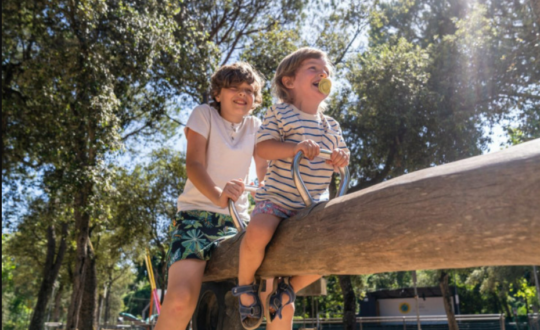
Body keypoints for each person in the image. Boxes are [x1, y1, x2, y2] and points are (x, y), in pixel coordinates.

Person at [233, 48, 350, 330]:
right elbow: (263, 147)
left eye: (327, 72)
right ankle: (245, 286)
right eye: (313, 68)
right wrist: (295, 147)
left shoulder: (330, 125)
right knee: (257, 233)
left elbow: (343, 157)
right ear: (289, 81)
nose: (323, 74)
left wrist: (340, 157)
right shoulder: (281, 113)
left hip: (312, 206)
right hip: (278, 199)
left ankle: (289, 287)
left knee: (331, 252)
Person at [154, 62, 267, 330]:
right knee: (180, 299)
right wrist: (218, 195)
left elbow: (264, 170)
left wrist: (270, 196)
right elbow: (194, 164)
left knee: (270, 287)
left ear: (255, 100)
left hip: (237, 224)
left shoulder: (256, 126)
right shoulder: (204, 115)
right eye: (234, 88)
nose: (242, 93)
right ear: (217, 94)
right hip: (195, 219)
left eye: (249, 90)